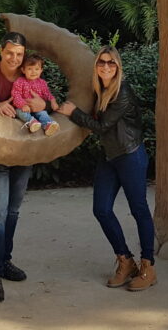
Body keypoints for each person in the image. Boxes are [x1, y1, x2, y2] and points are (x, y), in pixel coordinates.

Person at [58, 46, 156, 291]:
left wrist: (74, 112)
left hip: (130, 155)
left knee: (139, 210)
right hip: (110, 156)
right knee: (101, 209)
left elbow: (101, 127)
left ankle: (148, 266)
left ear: (118, 67)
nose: (105, 66)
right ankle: (125, 260)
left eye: (111, 63)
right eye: (101, 62)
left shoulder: (121, 91)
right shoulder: (99, 89)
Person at [0, 31, 51, 303]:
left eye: (19, 54)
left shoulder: (31, 74)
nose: (14, 58)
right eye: (9, 53)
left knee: (13, 211)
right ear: (1, 50)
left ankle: (4, 261)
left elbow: (48, 103)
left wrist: (45, 103)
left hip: (24, 152)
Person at [12, 53, 61, 136]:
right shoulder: (20, 82)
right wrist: (23, 105)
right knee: (19, 112)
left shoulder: (42, 83)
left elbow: (47, 94)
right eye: (30, 69)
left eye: (37, 69)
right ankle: (32, 121)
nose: (33, 72)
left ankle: (48, 125)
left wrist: (53, 101)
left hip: (38, 108)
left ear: (41, 70)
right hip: (24, 108)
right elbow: (16, 95)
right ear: (23, 70)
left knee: (43, 113)